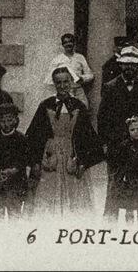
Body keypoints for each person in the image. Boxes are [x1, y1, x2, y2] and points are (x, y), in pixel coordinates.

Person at [28, 66, 103, 215]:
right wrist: (35, 162)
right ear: (54, 84)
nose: (62, 86)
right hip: (50, 157)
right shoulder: (45, 105)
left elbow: (88, 137)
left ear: (71, 83)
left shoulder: (78, 106)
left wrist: (83, 162)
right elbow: (34, 135)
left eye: (65, 82)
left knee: (75, 201)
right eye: (58, 82)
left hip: (72, 156)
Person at [98, 46, 138, 209]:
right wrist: (104, 143)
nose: (129, 67)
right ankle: (110, 222)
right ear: (120, 65)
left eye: (133, 64)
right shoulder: (110, 86)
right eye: (125, 64)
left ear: (137, 66)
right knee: (115, 182)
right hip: (116, 142)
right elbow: (102, 118)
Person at [105, 115, 138, 224]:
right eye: (132, 130)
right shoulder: (125, 145)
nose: (135, 132)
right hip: (130, 181)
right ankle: (129, 231)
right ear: (128, 131)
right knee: (129, 209)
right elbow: (120, 162)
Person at [0, 103, 29, 218]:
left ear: (16, 120)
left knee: (14, 214)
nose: (6, 124)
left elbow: (24, 159)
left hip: (15, 183)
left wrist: (14, 170)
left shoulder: (22, 139)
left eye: (10, 120)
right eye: (2, 121)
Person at [47, 33, 95, 106]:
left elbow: (90, 75)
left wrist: (82, 78)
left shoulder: (80, 57)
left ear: (74, 43)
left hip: (79, 91)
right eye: (65, 42)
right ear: (63, 45)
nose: (68, 44)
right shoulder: (57, 60)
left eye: (70, 41)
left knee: (83, 110)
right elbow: (50, 78)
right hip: (65, 92)